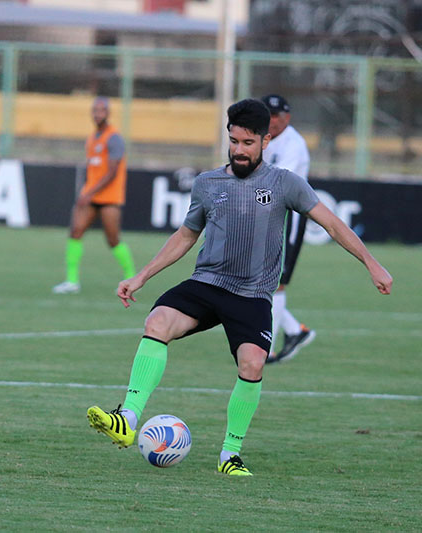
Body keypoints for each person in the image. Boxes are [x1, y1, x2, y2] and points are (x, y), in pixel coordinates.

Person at [86, 99, 392, 476]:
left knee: (252, 362)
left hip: (251, 295)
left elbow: (332, 224)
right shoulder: (208, 183)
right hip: (207, 284)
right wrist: (142, 276)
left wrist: (371, 263)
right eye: (233, 141)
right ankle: (127, 418)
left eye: (248, 143)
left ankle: (229, 454)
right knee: (158, 321)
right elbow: (185, 236)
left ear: (265, 141)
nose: (239, 150)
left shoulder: (285, 183)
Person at [52, 97, 135, 294]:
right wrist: (87, 192)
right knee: (75, 232)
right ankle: (72, 281)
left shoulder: (114, 138)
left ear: (108, 113)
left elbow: (112, 171)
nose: (97, 114)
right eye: (95, 110)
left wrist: (90, 192)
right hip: (90, 196)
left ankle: (132, 276)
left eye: (101, 110)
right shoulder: (92, 137)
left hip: (109, 198)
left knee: (113, 240)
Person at [261, 94, 315, 363]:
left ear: (286, 118)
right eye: (266, 114)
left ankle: (265, 348)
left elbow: (278, 181)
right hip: (266, 213)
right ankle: (295, 331)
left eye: (275, 116)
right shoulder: (259, 135)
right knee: (259, 277)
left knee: (277, 280)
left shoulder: (294, 143)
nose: (270, 121)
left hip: (289, 214)